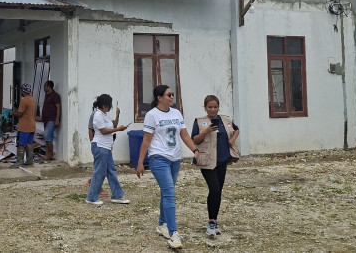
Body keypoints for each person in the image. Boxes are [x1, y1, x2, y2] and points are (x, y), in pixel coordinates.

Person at [135, 85, 200, 250]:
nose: (172, 97)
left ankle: (162, 224)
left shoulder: (176, 113)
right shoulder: (152, 115)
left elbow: (184, 134)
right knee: (170, 193)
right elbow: (146, 140)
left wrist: (195, 150)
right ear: (159, 97)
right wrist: (140, 162)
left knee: (167, 192)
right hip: (158, 158)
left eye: (173, 94)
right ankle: (174, 234)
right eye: (169, 94)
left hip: (175, 158)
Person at [191, 95, 240, 237]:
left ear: (218, 107)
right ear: (205, 108)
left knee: (218, 192)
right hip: (207, 162)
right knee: (214, 189)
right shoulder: (200, 122)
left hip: (222, 161)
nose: (212, 110)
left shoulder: (226, 119)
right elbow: (194, 140)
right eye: (209, 107)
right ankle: (211, 223)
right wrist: (206, 131)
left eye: (215, 107)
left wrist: (232, 140)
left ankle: (214, 221)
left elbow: (236, 129)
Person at [85, 94, 129, 205]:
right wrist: (118, 129)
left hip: (107, 147)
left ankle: (117, 195)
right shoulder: (97, 115)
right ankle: (91, 197)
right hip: (100, 146)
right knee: (100, 172)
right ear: (105, 105)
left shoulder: (106, 115)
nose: (111, 107)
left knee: (111, 171)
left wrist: (117, 116)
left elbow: (113, 124)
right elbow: (103, 131)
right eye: (110, 104)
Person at [11, 83, 37, 166]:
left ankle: (19, 161)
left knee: (21, 144)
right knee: (29, 143)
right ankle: (29, 161)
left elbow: (20, 114)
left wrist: (13, 113)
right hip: (32, 125)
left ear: (23, 91)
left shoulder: (24, 100)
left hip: (24, 126)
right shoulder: (33, 100)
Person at [40, 80, 61, 161]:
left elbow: (58, 107)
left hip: (52, 119)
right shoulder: (47, 95)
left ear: (49, 86)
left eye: (45, 86)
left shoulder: (55, 96)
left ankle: (50, 154)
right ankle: (47, 153)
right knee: (48, 137)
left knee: (47, 136)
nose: (44, 87)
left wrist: (57, 119)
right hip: (46, 119)